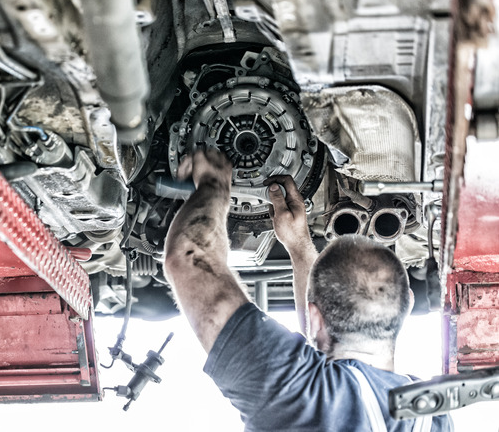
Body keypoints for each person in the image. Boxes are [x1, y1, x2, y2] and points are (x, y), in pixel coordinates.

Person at [163, 149, 452, 431]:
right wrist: (299, 247)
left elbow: (190, 256)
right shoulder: (432, 417)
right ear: (406, 306)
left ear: (314, 319)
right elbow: (323, 370)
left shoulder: (298, 393)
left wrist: (215, 184)